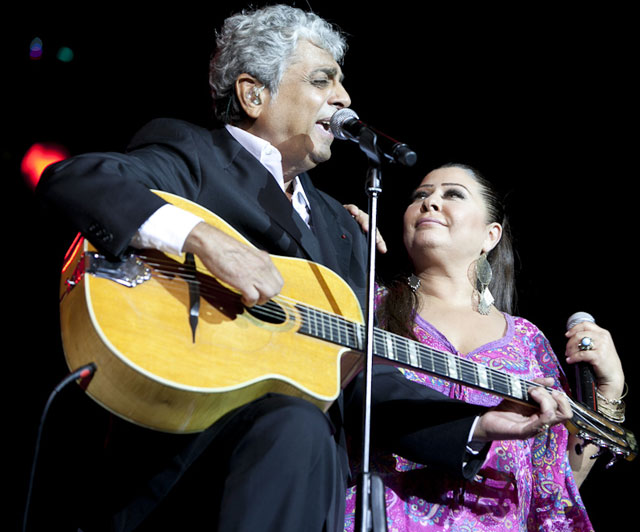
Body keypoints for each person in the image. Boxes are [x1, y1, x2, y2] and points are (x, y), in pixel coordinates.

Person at [35, 6, 572, 531]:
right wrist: (204, 239)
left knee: (307, 425)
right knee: (298, 422)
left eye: (341, 83)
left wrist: (477, 423)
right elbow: (78, 179)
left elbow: (361, 380)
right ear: (253, 94)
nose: (344, 98)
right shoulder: (197, 154)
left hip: (299, 482)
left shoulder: (343, 227)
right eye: (322, 81)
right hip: (186, 457)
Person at [343, 163, 627, 531]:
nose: (430, 203)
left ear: (490, 235)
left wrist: (608, 390)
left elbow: (554, 485)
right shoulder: (367, 307)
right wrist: (334, 237)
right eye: (420, 196)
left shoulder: (527, 341)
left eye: (452, 194)